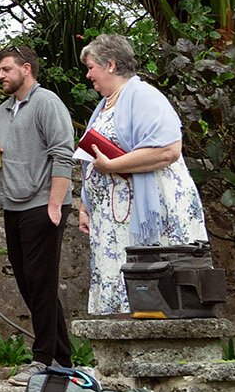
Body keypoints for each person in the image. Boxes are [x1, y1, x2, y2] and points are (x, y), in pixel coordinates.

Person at [73, 34, 209, 315]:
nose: (88, 75)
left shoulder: (143, 95)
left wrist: (113, 166)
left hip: (149, 212)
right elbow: (90, 158)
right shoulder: (104, 105)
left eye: (91, 67)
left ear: (110, 65)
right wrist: (86, 206)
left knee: (154, 285)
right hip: (111, 221)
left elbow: (168, 150)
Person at [0, 45, 76, 366]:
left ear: (26, 69)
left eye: (6, 69)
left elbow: (63, 153)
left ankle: (43, 359)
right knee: (30, 283)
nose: (0, 75)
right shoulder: (1, 112)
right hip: (13, 206)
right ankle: (62, 360)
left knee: (41, 282)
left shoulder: (47, 103)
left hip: (43, 204)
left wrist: (55, 206)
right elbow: (5, 160)